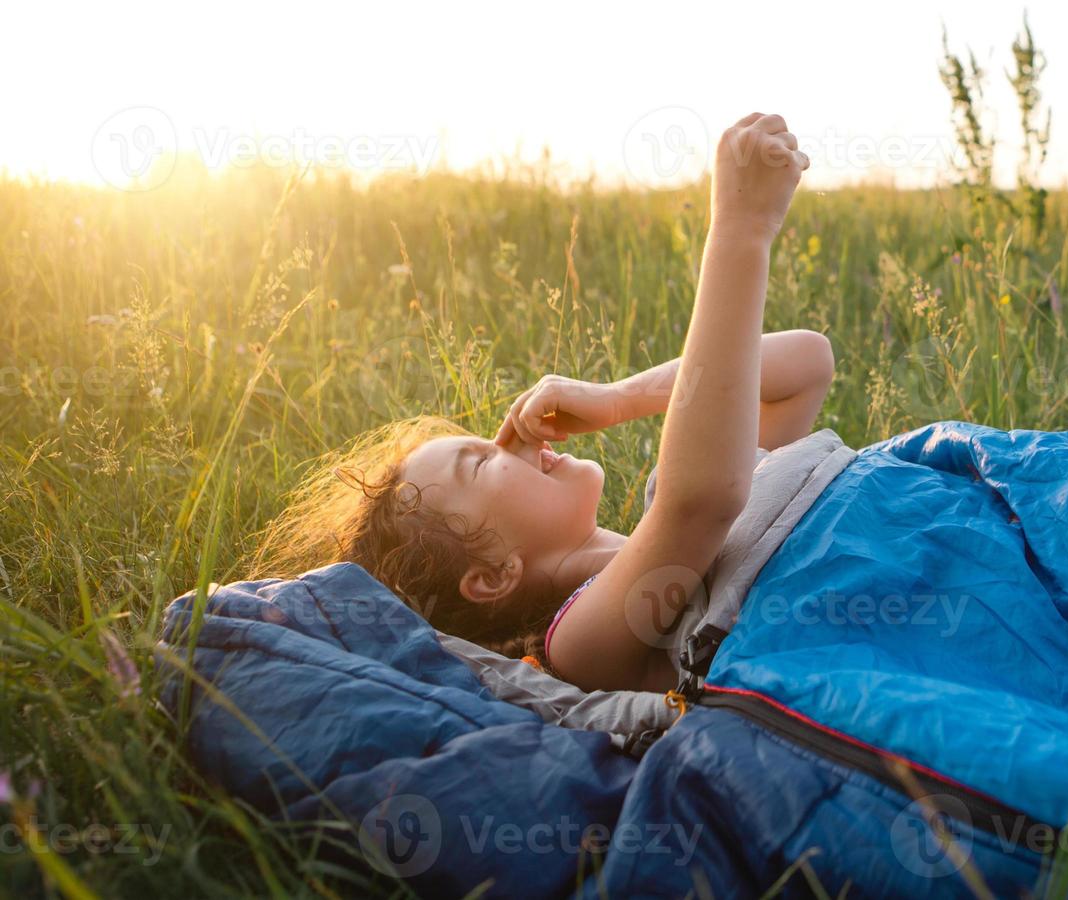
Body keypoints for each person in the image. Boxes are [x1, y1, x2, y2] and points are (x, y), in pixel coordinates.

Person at [251, 112, 820, 694]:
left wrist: (617, 399)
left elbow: (804, 366)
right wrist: (741, 228)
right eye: (479, 461)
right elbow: (700, 500)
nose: (515, 438)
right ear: (494, 575)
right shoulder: (581, 641)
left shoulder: (687, 501)